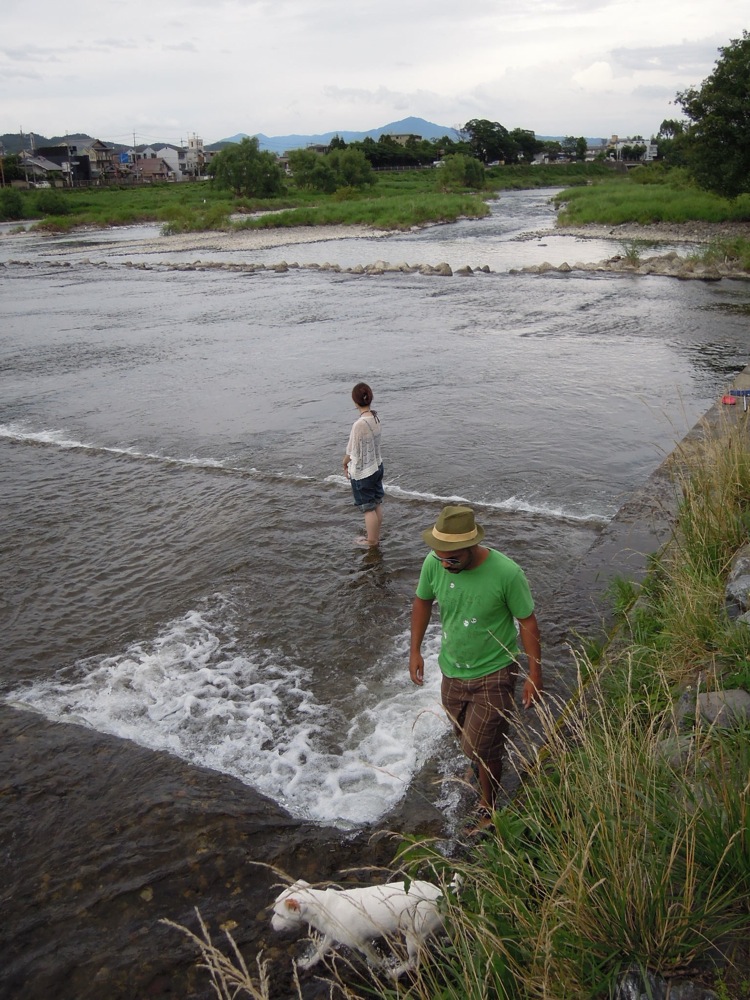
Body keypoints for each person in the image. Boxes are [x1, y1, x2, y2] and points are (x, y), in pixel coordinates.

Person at [409, 505, 542, 820]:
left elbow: (527, 622)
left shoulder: (507, 573)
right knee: (465, 738)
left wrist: (535, 674)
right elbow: (422, 601)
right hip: (452, 670)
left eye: (453, 559)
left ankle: (488, 807)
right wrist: (414, 650)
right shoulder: (434, 563)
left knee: (484, 748)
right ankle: (478, 764)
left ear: (472, 546)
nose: (445, 564)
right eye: (440, 557)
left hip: (494, 671)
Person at [343, 382, 384, 546]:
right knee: (376, 502)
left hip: (364, 472)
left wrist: (344, 464)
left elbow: (351, 451)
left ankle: (372, 540)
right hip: (377, 466)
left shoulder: (359, 424)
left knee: (368, 509)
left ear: (355, 402)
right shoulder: (375, 417)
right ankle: (376, 535)